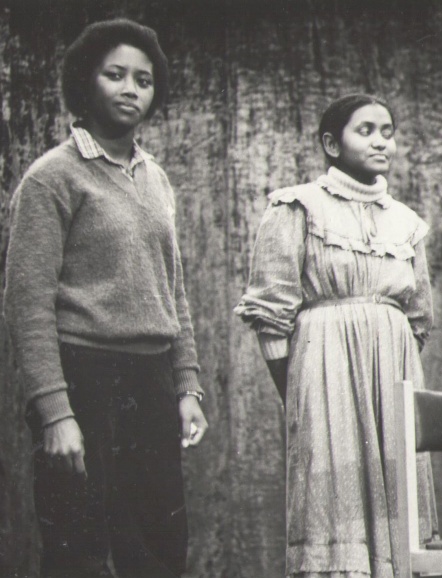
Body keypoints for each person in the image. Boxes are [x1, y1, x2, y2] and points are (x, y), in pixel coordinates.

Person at [4, 18, 208, 578]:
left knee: (159, 550)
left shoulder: (155, 178)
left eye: (143, 80)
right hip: (84, 379)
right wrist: (55, 413)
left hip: (151, 383)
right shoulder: (52, 178)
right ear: (84, 82)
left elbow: (173, 289)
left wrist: (186, 385)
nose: (130, 89)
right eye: (114, 75)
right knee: (79, 552)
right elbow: (27, 304)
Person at [235, 93, 437, 577]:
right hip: (323, 372)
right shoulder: (297, 207)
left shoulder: (406, 222)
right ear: (331, 143)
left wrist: (387, 353)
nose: (380, 141)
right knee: (333, 494)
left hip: (393, 372)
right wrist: (297, 390)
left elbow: (418, 316)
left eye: (387, 132)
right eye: (365, 131)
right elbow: (271, 310)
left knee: (399, 493)